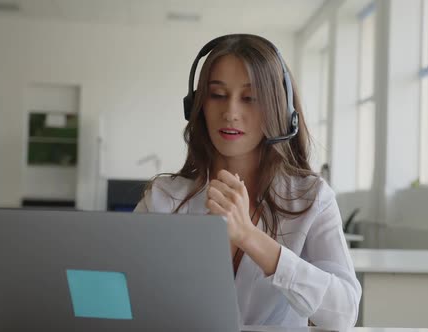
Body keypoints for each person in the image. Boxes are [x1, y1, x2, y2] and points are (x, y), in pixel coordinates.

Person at [134, 34, 361, 330]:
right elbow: (128, 299)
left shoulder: (311, 197)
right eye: (217, 95)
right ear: (197, 105)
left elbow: (343, 315)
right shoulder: (163, 198)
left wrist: (249, 236)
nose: (230, 113)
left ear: (278, 109)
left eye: (250, 98)